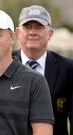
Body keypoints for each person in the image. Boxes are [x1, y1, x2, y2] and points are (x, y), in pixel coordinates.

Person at [13, 5, 73, 135]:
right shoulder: (5, 64)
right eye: (27, 27)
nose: (32, 32)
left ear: (50, 33)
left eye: (39, 27)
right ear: (18, 33)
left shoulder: (68, 69)